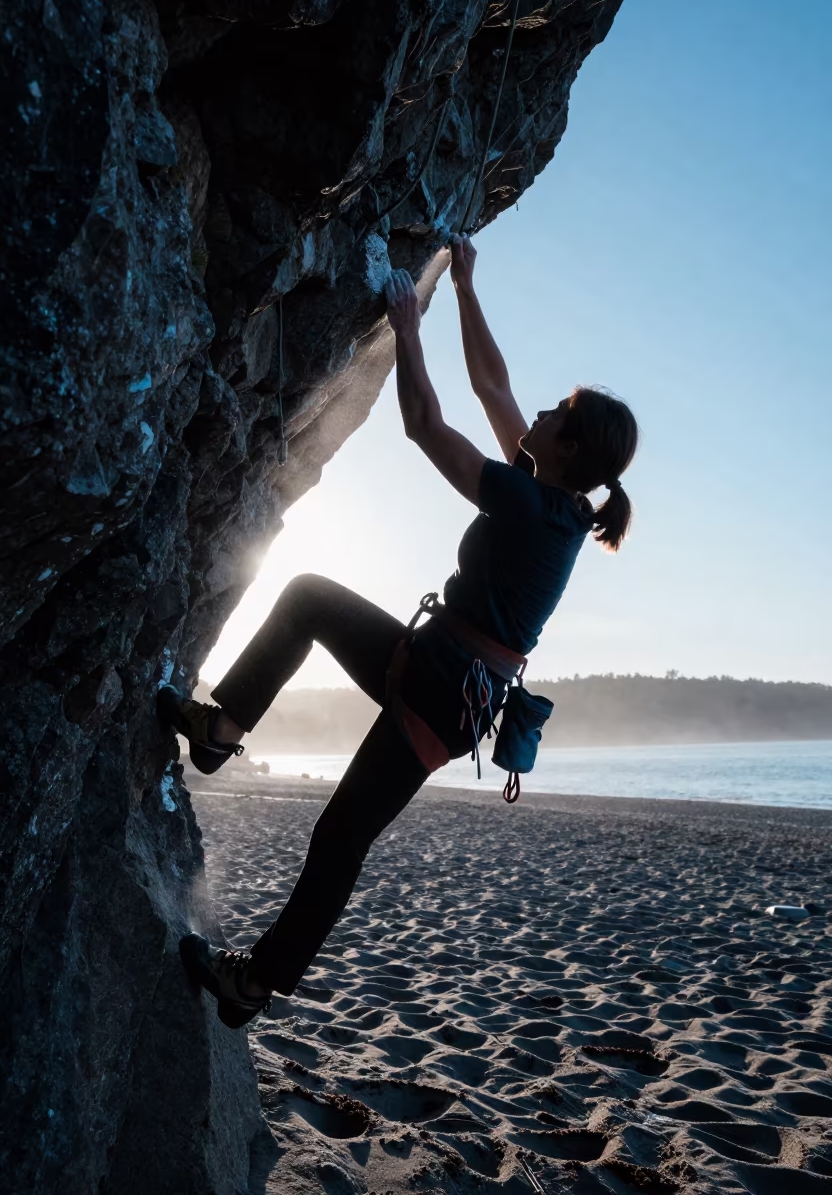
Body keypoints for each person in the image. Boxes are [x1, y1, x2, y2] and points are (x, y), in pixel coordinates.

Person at [160, 234, 640, 1028]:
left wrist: (408, 328)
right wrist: (464, 287)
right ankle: (219, 735)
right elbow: (493, 387)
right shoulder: (554, 495)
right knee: (313, 625)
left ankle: (254, 970)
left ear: (569, 445)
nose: (545, 410)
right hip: (440, 677)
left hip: (441, 693)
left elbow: (426, 426)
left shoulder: (533, 506)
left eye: (560, 411)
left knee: (340, 827)